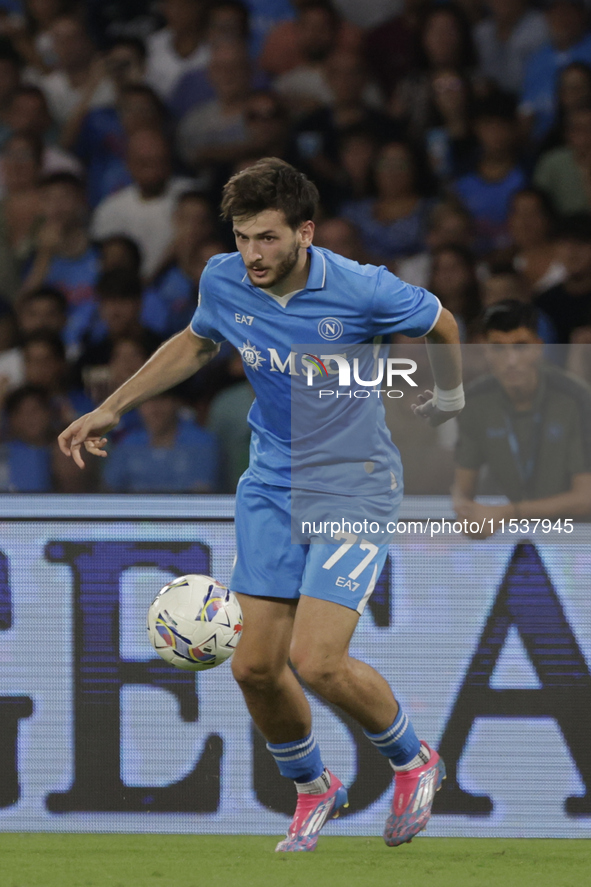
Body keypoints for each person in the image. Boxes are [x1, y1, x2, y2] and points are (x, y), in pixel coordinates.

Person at [58, 157, 463, 853]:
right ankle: (314, 786)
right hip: (270, 481)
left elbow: (445, 324)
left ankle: (413, 758)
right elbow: (194, 342)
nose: (252, 253)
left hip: (352, 483)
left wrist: (450, 396)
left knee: (318, 659)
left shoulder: (361, 287)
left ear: (304, 232)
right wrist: (110, 406)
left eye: (268, 238)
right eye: (243, 237)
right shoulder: (222, 279)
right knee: (251, 666)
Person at [453, 299, 591, 535]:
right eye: (498, 347)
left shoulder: (576, 397)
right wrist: (467, 514)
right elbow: (462, 491)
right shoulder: (474, 401)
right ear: (485, 350)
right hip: (506, 535)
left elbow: (586, 499)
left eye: (520, 346)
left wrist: (508, 513)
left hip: (576, 535)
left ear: (539, 346)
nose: (511, 361)